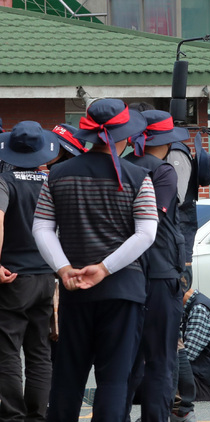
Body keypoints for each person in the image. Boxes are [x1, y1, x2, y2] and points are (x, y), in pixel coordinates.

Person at [32, 99, 156, 422]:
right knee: (114, 381)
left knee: (67, 379)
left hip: (74, 290)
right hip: (123, 291)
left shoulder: (57, 175)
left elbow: (42, 228)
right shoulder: (138, 177)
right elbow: (146, 234)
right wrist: (103, 269)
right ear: (125, 136)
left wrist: (64, 268)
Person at [124, 110, 189, 421]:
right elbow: (156, 220)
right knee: (161, 359)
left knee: (126, 359)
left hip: (125, 274)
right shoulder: (163, 172)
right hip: (160, 274)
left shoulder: (121, 166)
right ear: (166, 141)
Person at [0, 121, 59, 422]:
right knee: (39, 352)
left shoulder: (4, 181)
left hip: (13, 277)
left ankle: (11, 416)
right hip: (46, 276)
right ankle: (38, 415)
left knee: (8, 351)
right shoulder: (51, 181)